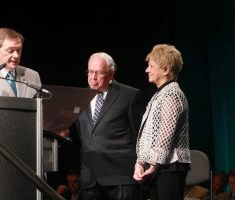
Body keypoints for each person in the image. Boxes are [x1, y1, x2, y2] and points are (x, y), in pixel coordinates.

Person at [62, 52, 144, 200]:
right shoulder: (80, 97)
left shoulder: (129, 95)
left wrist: (141, 165)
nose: (93, 77)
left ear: (111, 74)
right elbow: (83, 134)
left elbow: (141, 134)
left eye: (98, 73)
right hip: (90, 178)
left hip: (121, 176)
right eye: (90, 72)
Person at [133, 44, 191, 200]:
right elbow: (147, 134)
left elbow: (166, 134)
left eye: (151, 66)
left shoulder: (172, 94)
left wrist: (153, 165)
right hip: (159, 165)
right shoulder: (160, 95)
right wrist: (140, 163)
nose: (147, 70)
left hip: (170, 166)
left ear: (165, 70)